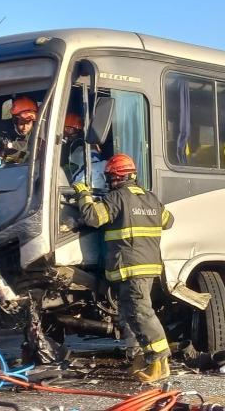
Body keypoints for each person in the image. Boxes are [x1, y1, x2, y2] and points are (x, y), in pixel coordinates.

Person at [72, 154, 175, 382]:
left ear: (116, 177)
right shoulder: (150, 198)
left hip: (130, 267)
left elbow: (92, 217)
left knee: (141, 314)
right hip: (149, 267)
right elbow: (168, 221)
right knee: (134, 315)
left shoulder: (117, 198)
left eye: (109, 177)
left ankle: (160, 361)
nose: (108, 182)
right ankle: (146, 358)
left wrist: (83, 193)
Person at [61, 112, 107, 189]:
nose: (67, 134)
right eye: (66, 129)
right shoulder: (62, 148)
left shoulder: (83, 150)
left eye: (70, 129)